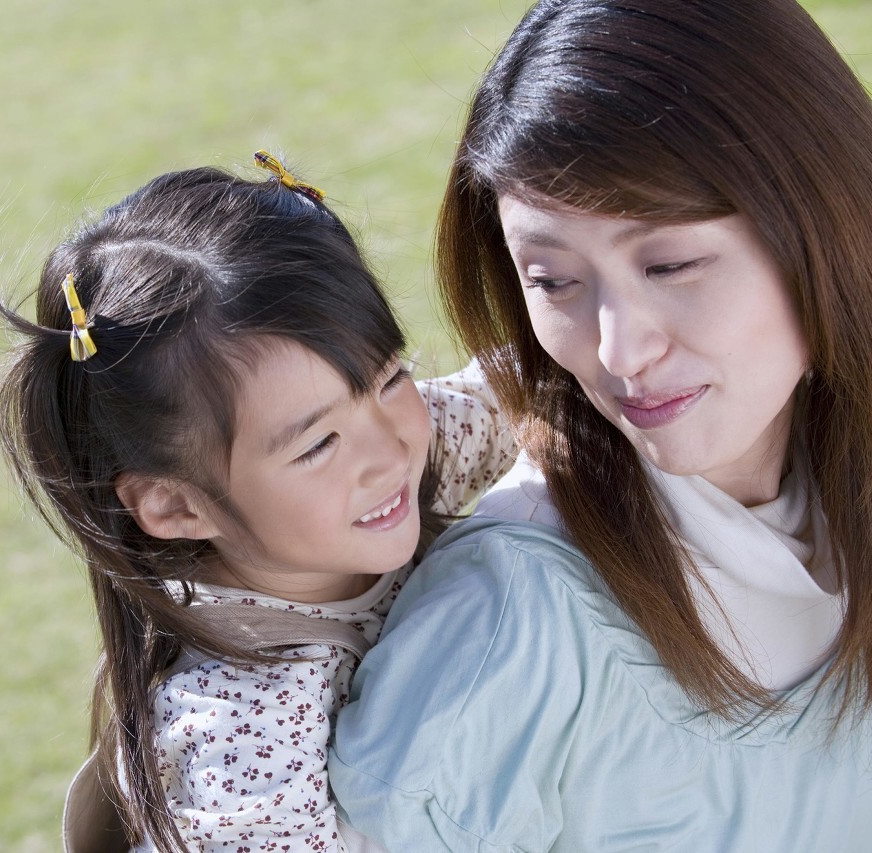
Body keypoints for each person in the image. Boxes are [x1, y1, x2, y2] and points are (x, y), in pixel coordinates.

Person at [329, 1, 872, 849]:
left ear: (824, 220)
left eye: (671, 264)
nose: (622, 348)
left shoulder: (843, 482)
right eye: (552, 281)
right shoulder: (512, 622)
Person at [0, 153, 515, 850]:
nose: (388, 449)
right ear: (177, 508)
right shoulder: (240, 725)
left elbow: (522, 391)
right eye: (317, 444)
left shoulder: (402, 464)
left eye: (391, 378)